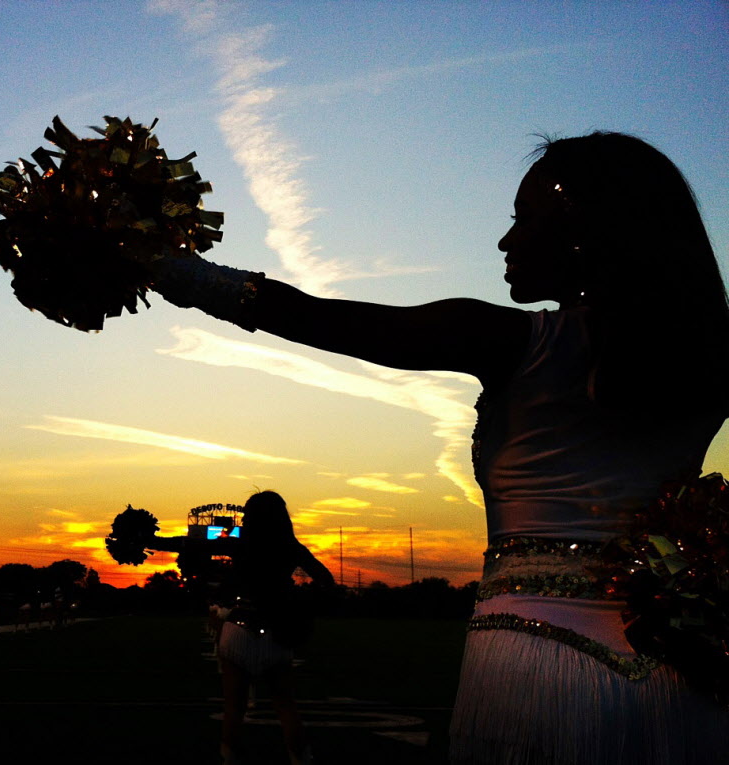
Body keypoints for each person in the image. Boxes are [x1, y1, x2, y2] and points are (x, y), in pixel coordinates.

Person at [150, 132, 729, 764]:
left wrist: (163, 267)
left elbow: (319, 317)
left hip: (531, 669)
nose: (507, 241)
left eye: (523, 220)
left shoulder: (510, 337)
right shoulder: (709, 367)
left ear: (583, 232)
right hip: (679, 680)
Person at [151, 491, 335, 765]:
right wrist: (299, 605)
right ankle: (301, 759)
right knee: (285, 706)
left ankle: (230, 759)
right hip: (277, 631)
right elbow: (326, 581)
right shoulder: (292, 548)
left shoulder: (240, 545)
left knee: (234, 709)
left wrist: (150, 540)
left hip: (238, 630)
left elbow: (190, 544)